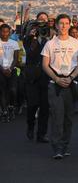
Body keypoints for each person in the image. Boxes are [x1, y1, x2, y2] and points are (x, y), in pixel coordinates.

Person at [41, 14, 78, 159]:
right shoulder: (50, 44)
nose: (64, 26)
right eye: (61, 23)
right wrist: (56, 78)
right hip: (55, 84)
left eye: (67, 23)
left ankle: (65, 145)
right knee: (56, 116)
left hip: (71, 83)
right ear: (57, 25)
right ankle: (57, 147)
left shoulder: (76, 43)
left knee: (68, 117)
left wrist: (71, 78)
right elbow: (45, 65)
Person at [23, 12, 51, 142]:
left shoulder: (51, 37)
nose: (42, 23)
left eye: (45, 20)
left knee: (45, 107)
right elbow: (28, 50)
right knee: (32, 105)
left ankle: (41, 134)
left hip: (46, 76)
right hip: (32, 76)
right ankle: (30, 126)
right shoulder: (29, 37)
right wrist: (31, 35)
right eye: (40, 20)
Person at [0, 24, 20, 123]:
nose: (5, 34)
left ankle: (11, 106)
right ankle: (4, 111)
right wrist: (2, 70)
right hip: (0, 70)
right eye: (3, 31)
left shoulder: (14, 43)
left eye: (7, 32)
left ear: (10, 32)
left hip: (12, 70)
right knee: (2, 91)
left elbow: (16, 58)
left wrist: (10, 69)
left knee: (13, 90)